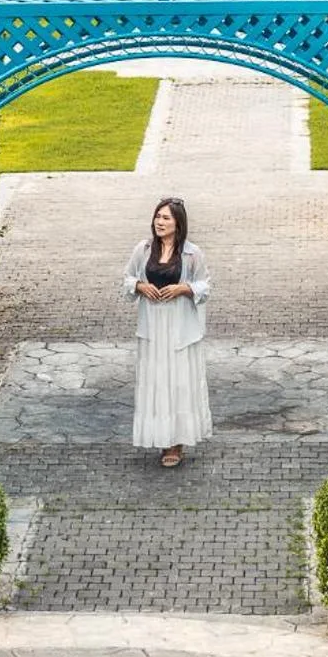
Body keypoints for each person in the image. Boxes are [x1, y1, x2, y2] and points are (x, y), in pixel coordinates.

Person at [122, 196, 212, 468]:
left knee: (179, 382)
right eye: (157, 217)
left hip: (180, 327)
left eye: (166, 218)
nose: (159, 222)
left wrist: (183, 288)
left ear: (178, 223)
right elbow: (127, 278)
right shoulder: (143, 249)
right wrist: (140, 286)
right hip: (152, 327)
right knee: (156, 381)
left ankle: (176, 443)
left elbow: (205, 286)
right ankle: (160, 435)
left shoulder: (192, 254)